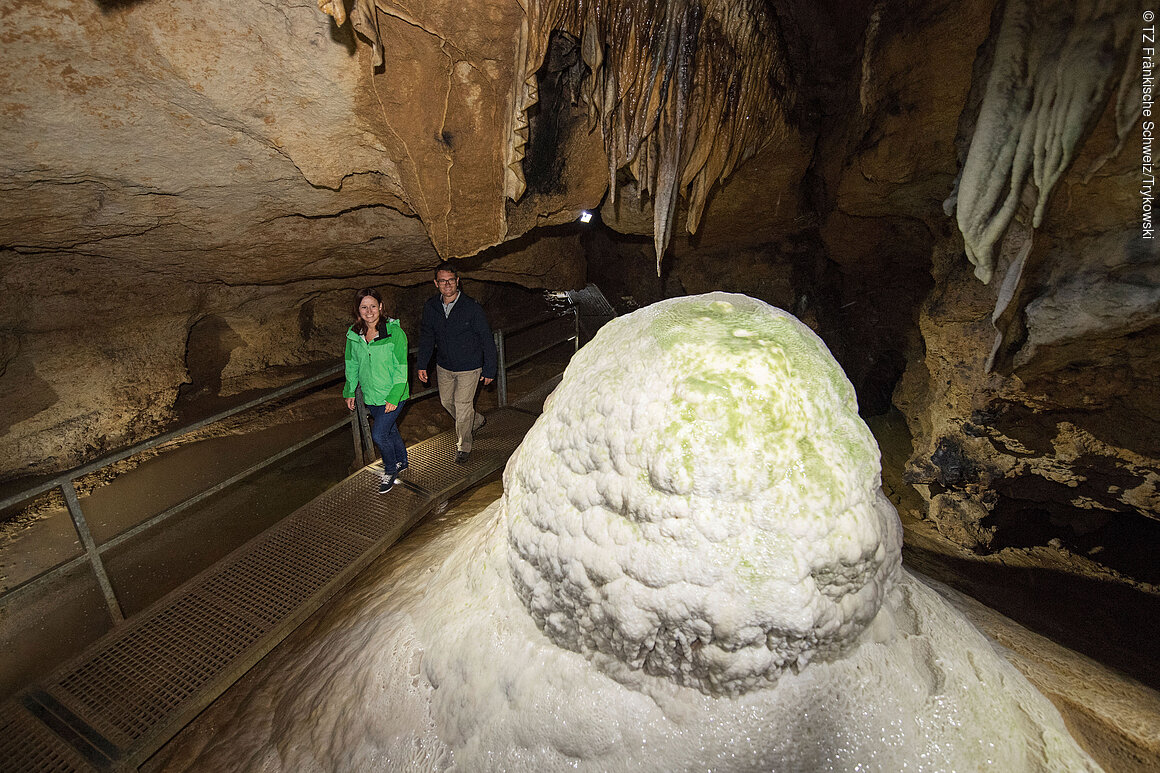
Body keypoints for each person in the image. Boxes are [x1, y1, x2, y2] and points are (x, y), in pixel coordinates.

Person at [416, 261, 497, 463]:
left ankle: (463, 446)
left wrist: (490, 368)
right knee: (447, 402)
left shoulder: (471, 308)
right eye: (442, 281)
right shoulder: (431, 307)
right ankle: (476, 420)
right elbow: (427, 336)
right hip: (444, 366)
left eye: (451, 280)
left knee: (462, 405)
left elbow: (486, 338)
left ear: (458, 281)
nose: (447, 284)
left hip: (470, 366)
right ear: (436, 283)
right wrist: (422, 363)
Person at [343, 288, 410, 494]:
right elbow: (351, 364)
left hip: (394, 394)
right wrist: (349, 390)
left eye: (373, 306)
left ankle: (390, 470)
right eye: (364, 307)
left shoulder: (394, 333)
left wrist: (393, 396)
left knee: (379, 434)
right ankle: (402, 460)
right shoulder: (354, 335)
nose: (369, 311)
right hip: (372, 396)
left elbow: (401, 368)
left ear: (381, 307)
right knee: (389, 430)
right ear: (358, 310)